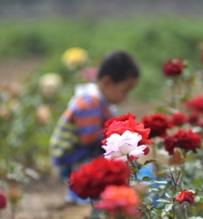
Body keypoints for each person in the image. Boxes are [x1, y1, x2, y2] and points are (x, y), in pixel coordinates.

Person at [50, 50, 140, 204]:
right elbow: (89, 138)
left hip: (80, 153)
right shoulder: (89, 102)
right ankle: (78, 191)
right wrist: (119, 138)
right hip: (71, 157)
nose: (126, 97)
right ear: (107, 82)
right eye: (125, 90)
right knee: (107, 157)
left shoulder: (101, 101)